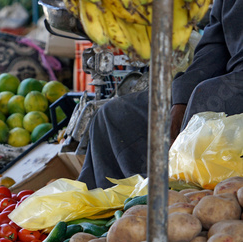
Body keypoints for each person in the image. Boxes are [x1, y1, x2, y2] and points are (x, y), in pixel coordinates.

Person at [77, 0, 243, 190]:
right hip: (225, 82)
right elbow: (214, 45)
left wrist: (198, 95)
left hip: (230, 87)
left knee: (204, 98)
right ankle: (115, 210)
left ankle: (176, 201)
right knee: (115, 115)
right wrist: (180, 99)